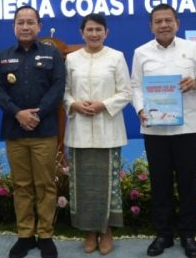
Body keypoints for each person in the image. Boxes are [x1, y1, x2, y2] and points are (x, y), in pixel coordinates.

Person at [130, 4, 196, 258]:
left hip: (188, 127)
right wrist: (141, 109)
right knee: (160, 181)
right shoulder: (141, 52)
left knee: (188, 182)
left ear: (177, 23)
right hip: (155, 128)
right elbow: (136, 87)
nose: (163, 25)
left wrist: (195, 82)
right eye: (158, 21)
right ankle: (163, 233)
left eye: (168, 20)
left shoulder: (192, 49)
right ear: (150, 26)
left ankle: (188, 233)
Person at [0, 6, 66, 258]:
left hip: (44, 130)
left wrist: (36, 114)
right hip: (15, 130)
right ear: (13, 26)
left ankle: (45, 235)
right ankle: (25, 234)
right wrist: (18, 113)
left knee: (45, 184)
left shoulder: (52, 54)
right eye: (20, 22)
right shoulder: (3, 57)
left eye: (30, 22)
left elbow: (58, 87)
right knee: (21, 185)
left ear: (39, 26)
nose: (25, 27)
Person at [63, 14, 132, 255]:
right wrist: (74, 105)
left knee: (107, 184)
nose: (94, 34)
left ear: (106, 32)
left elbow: (126, 91)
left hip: (108, 129)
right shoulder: (71, 59)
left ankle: (107, 231)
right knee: (83, 184)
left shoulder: (116, 57)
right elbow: (64, 91)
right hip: (79, 130)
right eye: (89, 29)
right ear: (82, 33)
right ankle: (89, 232)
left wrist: (103, 104)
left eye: (98, 29)